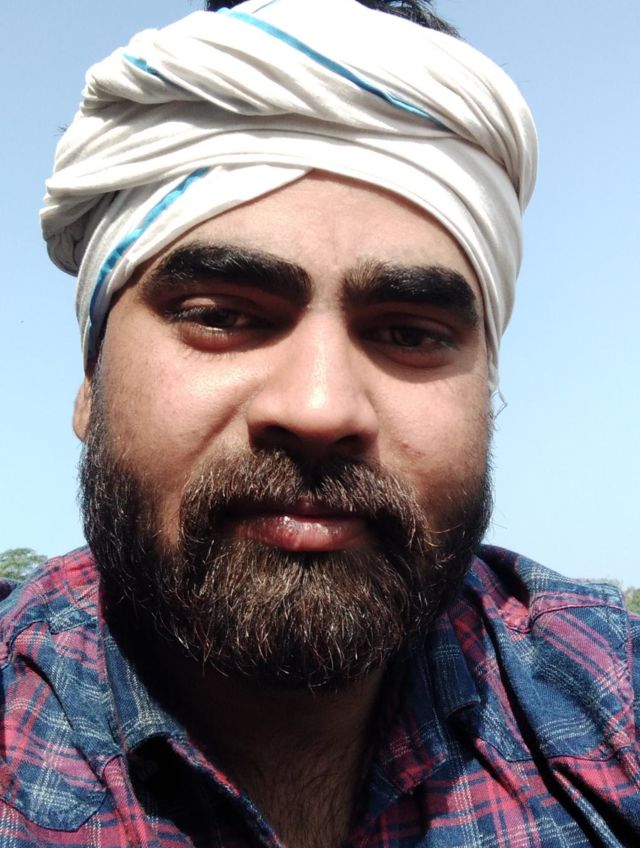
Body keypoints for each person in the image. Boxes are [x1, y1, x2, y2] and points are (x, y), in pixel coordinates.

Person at [1, 0, 638, 845]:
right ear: (90, 381)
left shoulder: (606, 705)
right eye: (222, 316)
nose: (318, 408)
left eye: (410, 333)